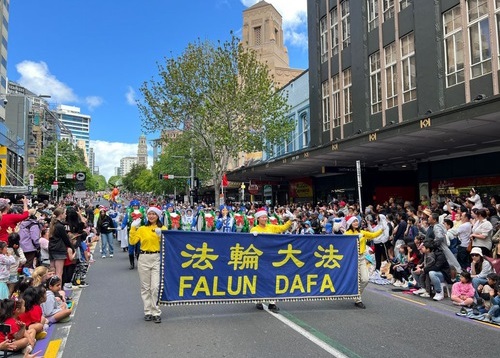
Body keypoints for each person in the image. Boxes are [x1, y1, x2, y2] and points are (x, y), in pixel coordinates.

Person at [250, 208, 293, 312]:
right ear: (258, 219)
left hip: (272, 257)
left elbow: (282, 228)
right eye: (262, 217)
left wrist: (290, 220)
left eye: (265, 217)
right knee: (260, 279)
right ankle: (258, 300)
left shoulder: (271, 227)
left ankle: (272, 303)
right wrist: (252, 236)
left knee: (273, 279)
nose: (265, 219)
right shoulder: (254, 229)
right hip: (260, 258)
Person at [129, 207, 167, 324]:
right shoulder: (142, 229)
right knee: (145, 287)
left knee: (155, 287)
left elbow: (167, 243)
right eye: (149, 214)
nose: (151, 216)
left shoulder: (162, 228)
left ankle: (156, 311)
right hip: (144, 257)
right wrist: (133, 228)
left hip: (157, 258)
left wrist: (161, 235)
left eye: (153, 214)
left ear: (158, 216)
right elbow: (132, 242)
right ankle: (148, 311)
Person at [344, 216, 382, 309]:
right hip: (350, 259)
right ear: (350, 223)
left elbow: (373, 235)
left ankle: (356, 295)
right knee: (351, 279)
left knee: (365, 279)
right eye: (354, 221)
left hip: (361, 258)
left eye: (357, 221)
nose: (356, 223)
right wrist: (357, 237)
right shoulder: (346, 234)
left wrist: (382, 229)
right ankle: (358, 299)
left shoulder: (362, 232)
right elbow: (345, 244)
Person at [48, 207, 74, 279]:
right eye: (65, 214)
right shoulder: (60, 226)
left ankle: (52, 288)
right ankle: (58, 289)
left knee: (52, 272)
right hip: (59, 249)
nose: (66, 215)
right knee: (59, 273)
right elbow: (65, 239)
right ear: (61, 215)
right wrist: (72, 248)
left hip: (52, 249)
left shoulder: (53, 225)